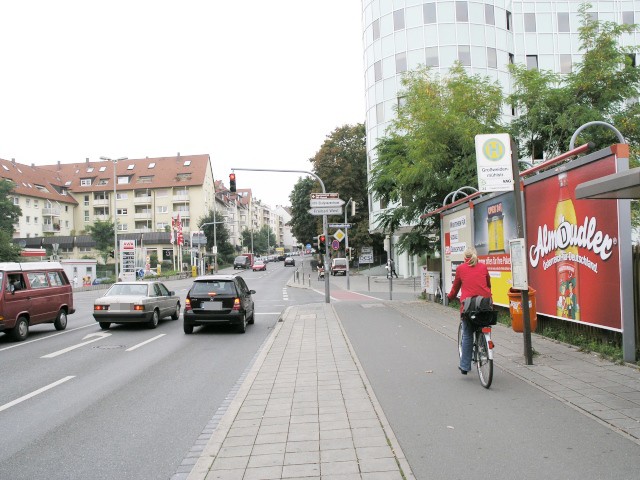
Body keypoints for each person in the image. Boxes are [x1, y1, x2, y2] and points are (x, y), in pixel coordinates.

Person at [447, 247, 492, 375]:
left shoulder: (461, 269)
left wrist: (449, 297)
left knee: (467, 334)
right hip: (485, 305)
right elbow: (488, 284)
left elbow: (455, 288)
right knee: (484, 325)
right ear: (475, 256)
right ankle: (485, 348)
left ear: (464, 258)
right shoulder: (483, 267)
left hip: (468, 307)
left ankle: (465, 366)